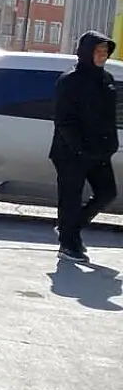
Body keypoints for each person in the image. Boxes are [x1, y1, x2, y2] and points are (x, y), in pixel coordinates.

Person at [50, 30, 119, 263]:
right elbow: (63, 120)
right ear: (86, 52)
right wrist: (80, 148)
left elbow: (109, 117)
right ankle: (68, 245)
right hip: (70, 152)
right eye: (98, 51)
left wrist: (111, 143)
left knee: (107, 192)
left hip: (99, 151)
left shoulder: (106, 79)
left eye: (105, 51)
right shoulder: (70, 81)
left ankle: (69, 229)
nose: (102, 55)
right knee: (70, 198)